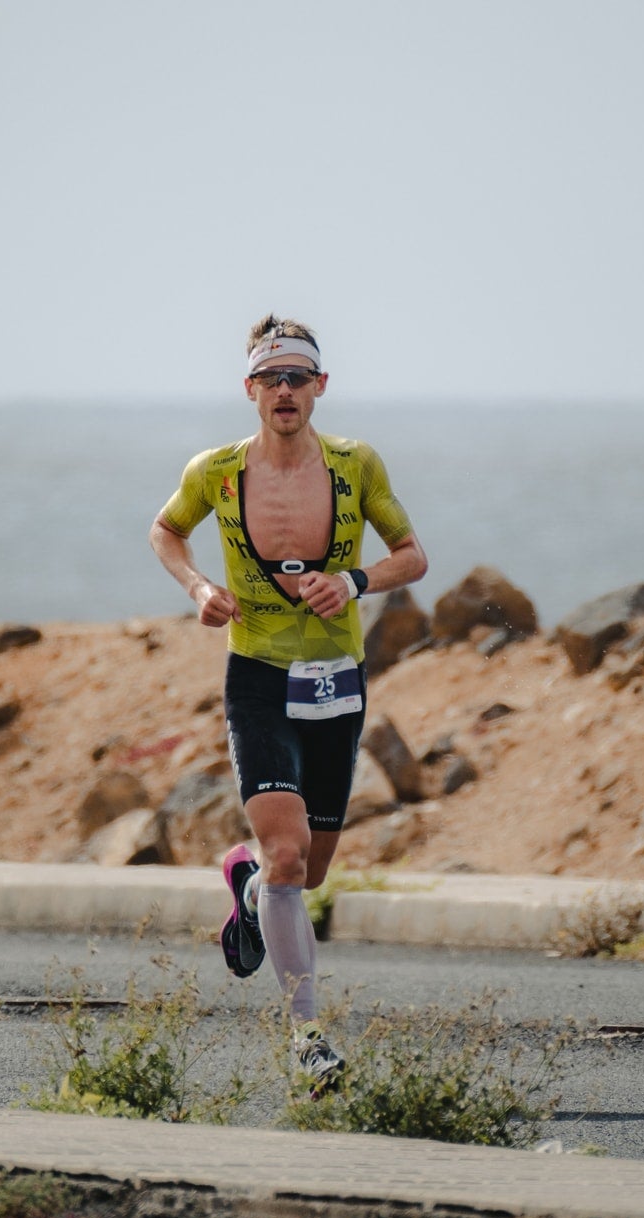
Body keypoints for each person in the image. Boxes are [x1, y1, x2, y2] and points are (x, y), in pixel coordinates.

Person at [149, 314, 428, 1089]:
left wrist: (356, 581)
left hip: (337, 678)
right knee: (287, 852)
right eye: (271, 378)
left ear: (320, 388)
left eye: (297, 377)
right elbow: (164, 533)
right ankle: (308, 1038)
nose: (284, 391)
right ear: (249, 389)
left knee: (308, 875)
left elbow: (413, 555)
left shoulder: (354, 465)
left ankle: (246, 882)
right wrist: (200, 587)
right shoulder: (216, 471)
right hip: (259, 676)